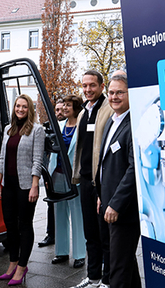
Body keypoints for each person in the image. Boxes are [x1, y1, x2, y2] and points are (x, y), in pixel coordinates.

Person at [0, 94, 45, 286]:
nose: (20, 109)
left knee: (24, 224)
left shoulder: (36, 130)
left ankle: (23, 266)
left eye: (24, 106)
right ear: (14, 108)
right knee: (10, 225)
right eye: (18, 106)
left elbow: (37, 160)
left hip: (25, 185)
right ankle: (13, 263)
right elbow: (2, 158)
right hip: (8, 185)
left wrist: (34, 185)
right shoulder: (8, 129)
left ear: (29, 109)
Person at [97, 73, 141, 288]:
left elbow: (134, 169)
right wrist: (101, 196)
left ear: (129, 94)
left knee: (118, 269)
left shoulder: (133, 124)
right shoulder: (112, 121)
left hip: (124, 210)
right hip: (108, 203)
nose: (114, 97)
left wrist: (115, 203)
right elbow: (106, 164)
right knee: (125, 263)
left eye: (119, 93)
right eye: (111, 92)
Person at [70, 70, 113, 288]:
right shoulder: (83, 113)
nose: (88, 89)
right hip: (85, 180)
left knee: (104, 233)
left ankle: (107, 280)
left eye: (92, 85)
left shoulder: (108, 110)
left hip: (102, 182)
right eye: (85, 86)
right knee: (90, 233)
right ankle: (93, 276)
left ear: (101, 86)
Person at [48, 95, 86, 268]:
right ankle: (61, 252)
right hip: (58, 174)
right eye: (64, 105)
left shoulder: (82, 126)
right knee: (59, 213)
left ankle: (79, 254)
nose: (64, 108)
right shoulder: (60, 126)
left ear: (76, 108)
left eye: (68, 105)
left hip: (75, 176)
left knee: (77, 214)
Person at [38, 99, 66, 247]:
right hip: (53, 172)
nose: (60, 113)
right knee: (52, 205)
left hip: (68, 173)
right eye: (57, 110)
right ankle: (51, 235)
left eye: (62, 109)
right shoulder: (49, 128)